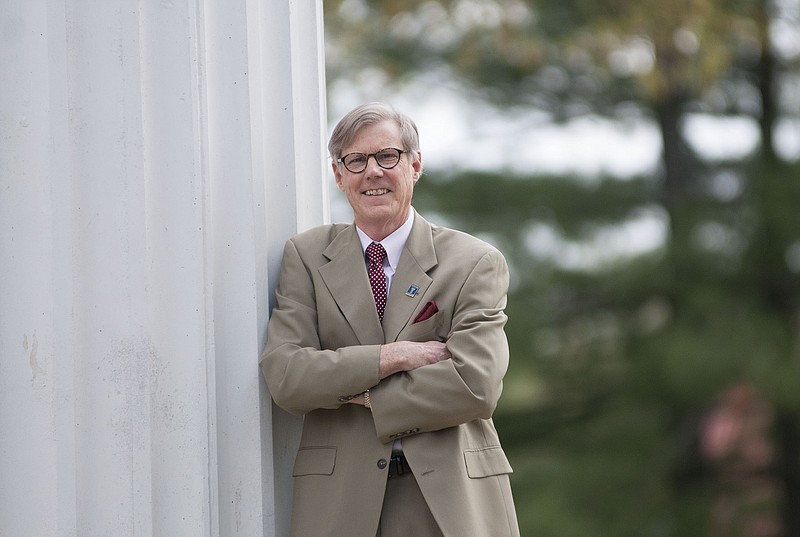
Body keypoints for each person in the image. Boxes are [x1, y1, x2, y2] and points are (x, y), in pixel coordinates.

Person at [260, 102, 520, 537]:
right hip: (339, 501)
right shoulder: (305, 257)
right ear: (338, 174)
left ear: (415, 165)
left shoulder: (474, 262)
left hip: (450, 499)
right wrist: (390, 357)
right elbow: (287, 376)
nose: (372, 172)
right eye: (356, 160)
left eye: (387, 156)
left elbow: (476, 385)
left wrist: (356, 392)